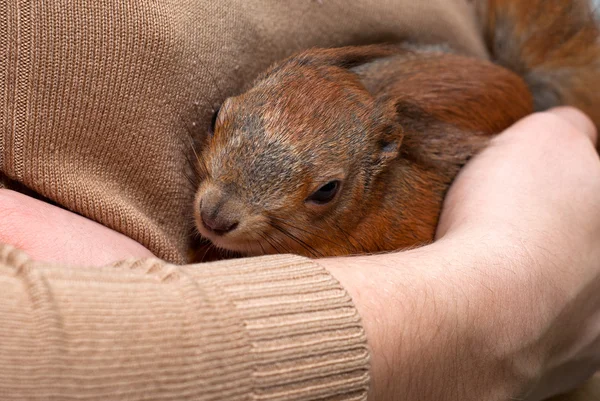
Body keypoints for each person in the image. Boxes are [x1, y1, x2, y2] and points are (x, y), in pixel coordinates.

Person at [1, 1, 599, 400]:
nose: (216, 212)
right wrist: (484, 305)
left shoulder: (379, 207)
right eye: (219, 121)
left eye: (322, 195)